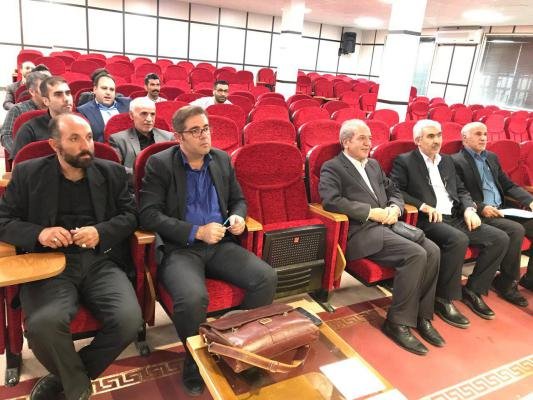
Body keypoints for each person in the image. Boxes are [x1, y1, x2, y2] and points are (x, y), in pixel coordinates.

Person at [0, 113, 142, 400]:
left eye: (88, 137)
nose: (85, 145)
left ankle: (67, 378)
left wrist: (101, 231)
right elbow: (3, 220)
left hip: (100, 260)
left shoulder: (112, 172)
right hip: (48, 263)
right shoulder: (27, 173)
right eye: (74, 139)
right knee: (43, 325)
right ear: (55, 145)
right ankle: (77, 388)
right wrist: (40, 234)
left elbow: (131, 216)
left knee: (129, 320)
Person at [139, 105, 277, 395]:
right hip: (180, 248)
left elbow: (239, 199)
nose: (205, 135)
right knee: (193, 298)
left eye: (206, 128)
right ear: (179, 137)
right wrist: (196, 231)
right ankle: (195, 363)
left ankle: (238, 346)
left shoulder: (222, 159)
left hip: (220, 243)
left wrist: (238, 216)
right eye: (195, 131)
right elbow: (149, 215)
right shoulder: (160, 164)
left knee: (266, 277)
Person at [319, 119, 442, 356]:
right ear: (346, 142)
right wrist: (369, 212)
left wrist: (395, 207)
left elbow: (393, 190)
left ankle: (422, 316)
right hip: (361, 232)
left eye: (370, 138)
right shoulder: (332, 167)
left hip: (390, 224)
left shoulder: (373, 165)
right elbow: (331, 201)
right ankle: (397, 322)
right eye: (362, 138)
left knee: (433, 251)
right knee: (415, 254)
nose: (368, 143)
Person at [390, 119, 509, 325]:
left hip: (454, 215)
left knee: (500, 238)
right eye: (430, 136)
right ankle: (443, 298)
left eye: (439, 135)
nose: (437, 140)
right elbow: (395, 189)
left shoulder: (446, 161)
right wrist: (423, 206)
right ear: (418, 140)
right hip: (428, 218)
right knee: (458, 239)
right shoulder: (405, 161)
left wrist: (470, 209)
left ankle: (474, 290)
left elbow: (461, 190)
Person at [452, 121, 531, 301]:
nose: (483, 138)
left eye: (485, 134)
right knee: (515, 229)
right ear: (464, 137)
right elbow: (458, 192)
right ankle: (507, 283)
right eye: (478, 134)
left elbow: (508, 185)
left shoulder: (492, 158)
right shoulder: (456, 161)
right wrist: (481, 208)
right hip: (480, 213)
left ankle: (530, 278)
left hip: (502, 209)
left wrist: (530, 201)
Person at [108, 97, 173, 183]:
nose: (149, 119)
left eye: (152, 114)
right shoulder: (118, 139)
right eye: (144, 114)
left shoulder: (168, 137)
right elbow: (117, 169)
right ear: (131, 115)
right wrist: (148, 175)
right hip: (134, 187)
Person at [12, 76, 73, 158]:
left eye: (68, 93)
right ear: (46, 101)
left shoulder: (82, 125)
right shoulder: (29, 130)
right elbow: (18, 163)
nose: (66, 99)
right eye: (58, 95)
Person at [0, 70, 50, 156]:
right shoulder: (18, 110)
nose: (47, 92)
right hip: (27, 157)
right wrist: (21, 154)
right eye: (43, 89)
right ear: (32, 92)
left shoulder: (55, 108)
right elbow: (6, 136)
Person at [77, 74, 130, 143]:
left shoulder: (127, 104)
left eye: (112, 89)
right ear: (95, 89)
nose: (108, 93)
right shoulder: (84, 111)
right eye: (104, 88)